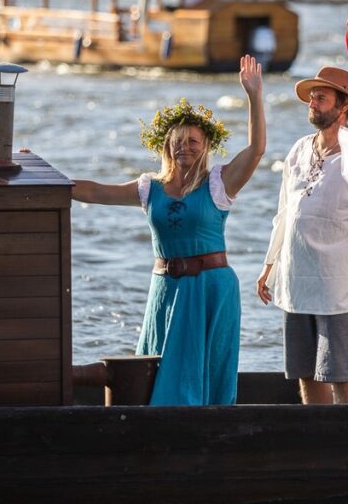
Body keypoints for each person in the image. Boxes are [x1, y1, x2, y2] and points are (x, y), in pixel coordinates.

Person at [71, 55, 265, 405]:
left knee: (200, 372)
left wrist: (253, 95)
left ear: (205, 146)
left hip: (209, 287)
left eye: (193, 141)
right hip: (165, 288)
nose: (185, 146)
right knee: (160, 366)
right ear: (166, 146)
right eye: (178, 140)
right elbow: (97, 191)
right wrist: (50, 182)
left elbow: (256, 150)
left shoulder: (219, 184)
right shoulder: (150, 189)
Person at [256, 66, 348, 405]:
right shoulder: (299, 150)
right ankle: (316, 439)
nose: (312, 104)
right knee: (305, 371)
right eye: (311, 98)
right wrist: (270, 265)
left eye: (321, 98)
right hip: (296, 281)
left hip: (338, 286)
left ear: (343, 107)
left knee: (341, 372)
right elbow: (285, 213)